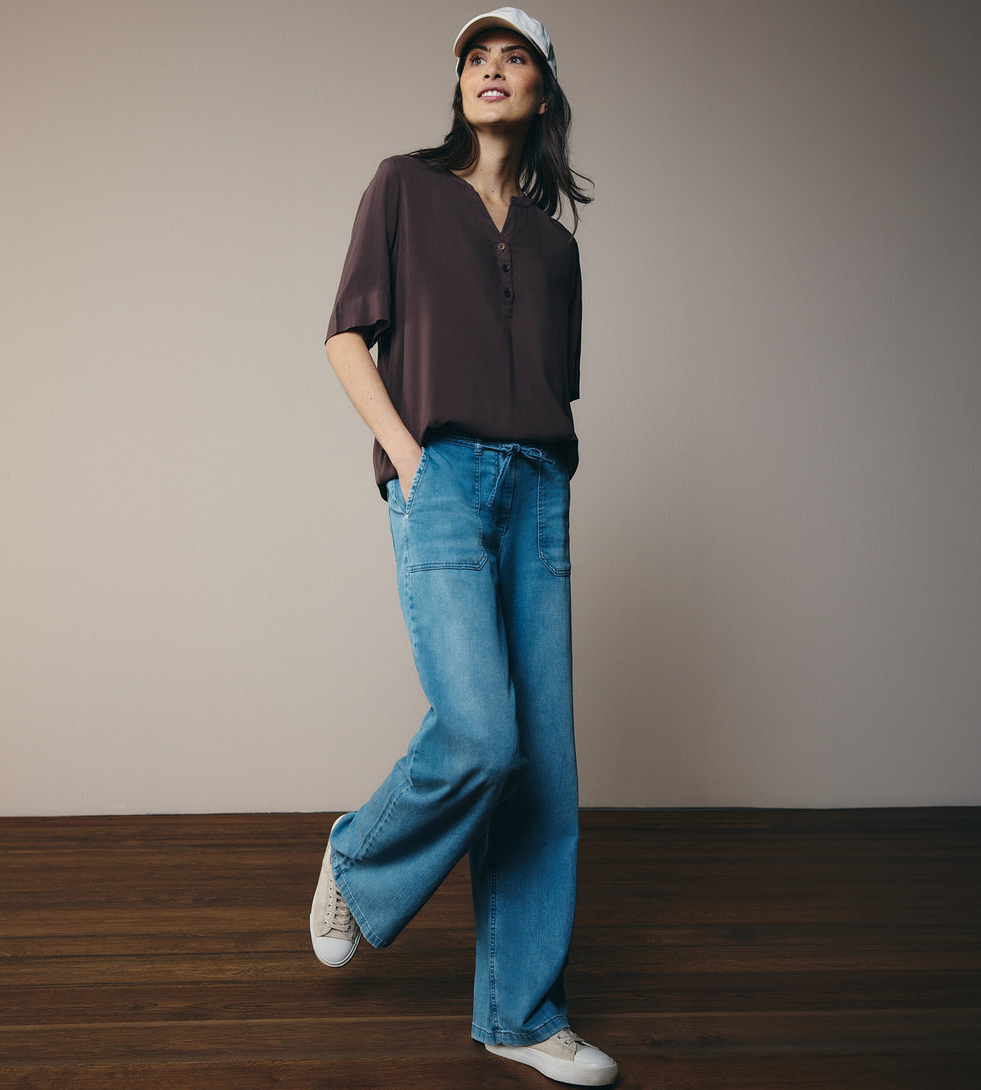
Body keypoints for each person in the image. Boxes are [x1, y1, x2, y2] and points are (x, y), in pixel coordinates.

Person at [310, 8, 617, 1086]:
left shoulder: (555, 248)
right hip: (438, 475)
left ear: (541, 91)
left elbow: (549, 386)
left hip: (537, 490)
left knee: (543, 767)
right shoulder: (400, 186)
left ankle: (520, 1012)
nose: (492, 70)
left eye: (514, 57)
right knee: (483, 733)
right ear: (459, 85)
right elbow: (347, 333)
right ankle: (357, 857)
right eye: (476, 57)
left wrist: (545, 477)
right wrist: (406, 452)